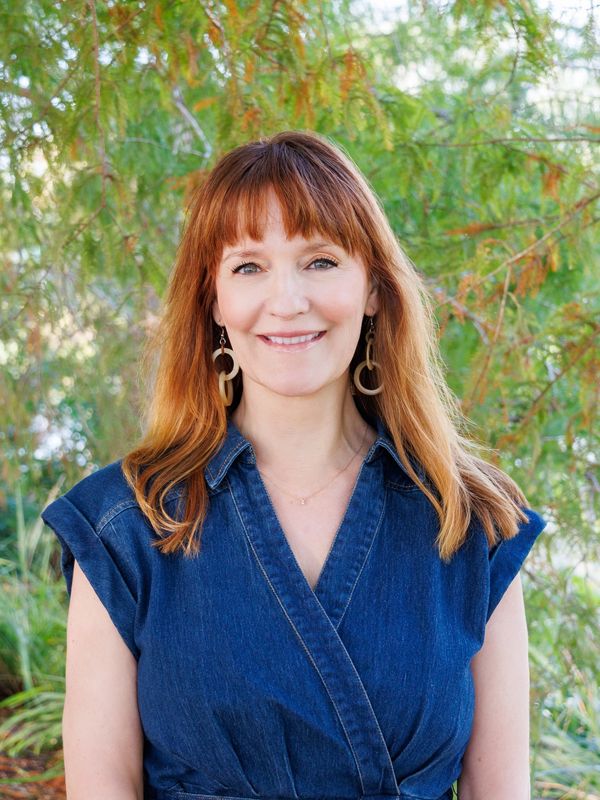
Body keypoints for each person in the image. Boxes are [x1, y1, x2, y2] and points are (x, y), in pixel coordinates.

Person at [41, 130, 548, 800]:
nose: (286, 301)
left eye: (321, 261)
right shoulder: (124, 524)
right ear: (213, 300)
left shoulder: (472, 521)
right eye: (248, 267)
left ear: (373, 287)